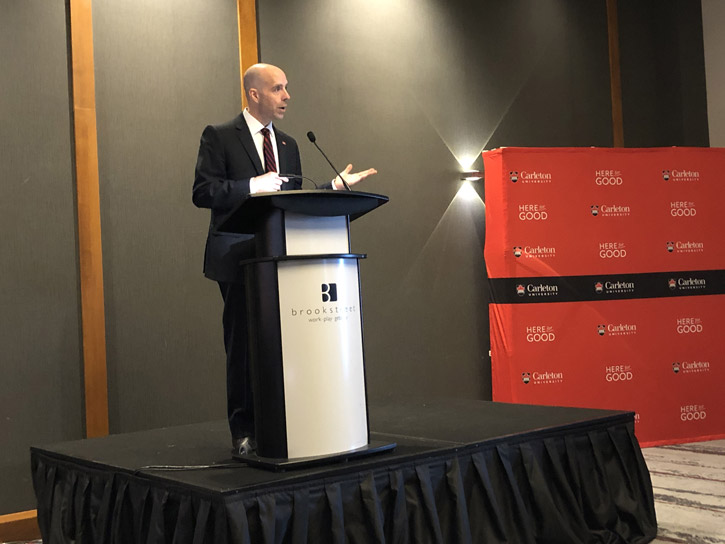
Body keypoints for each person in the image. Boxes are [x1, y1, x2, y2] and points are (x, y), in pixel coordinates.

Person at [192, 63, 377, 454]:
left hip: (284, 257)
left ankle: (291, 423)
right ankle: (244, 432)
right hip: (238, 258)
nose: (287, 96)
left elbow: (291, 199)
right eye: (278, 89)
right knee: (244, 346)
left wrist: (331, 188)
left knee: (287, 343)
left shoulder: (290, 145)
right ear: (254, 94)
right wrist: (249, 185)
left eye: (287, 88)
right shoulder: (221, 137)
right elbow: (203, 192)